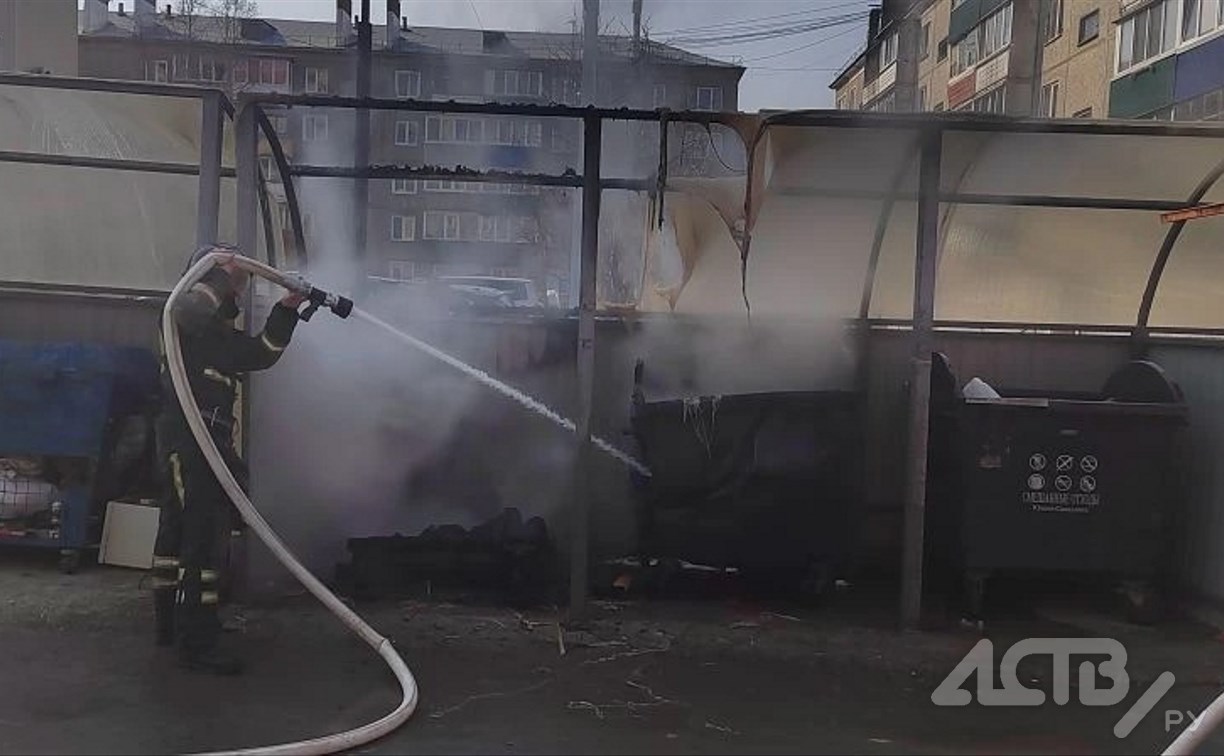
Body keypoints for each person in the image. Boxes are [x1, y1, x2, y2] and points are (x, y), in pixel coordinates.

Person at [151, 244, 308, 675]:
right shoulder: (181, 319)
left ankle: (170, 624)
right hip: (188, 439)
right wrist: (222, 272)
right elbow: (189, 311)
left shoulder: (218, 337)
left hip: (207, 441)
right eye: (234, 284)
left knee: (179, 533)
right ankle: (196, 640)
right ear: (205, 280)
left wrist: (288, 309)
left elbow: (262, 353)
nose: (238, 293)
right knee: (200, 536)